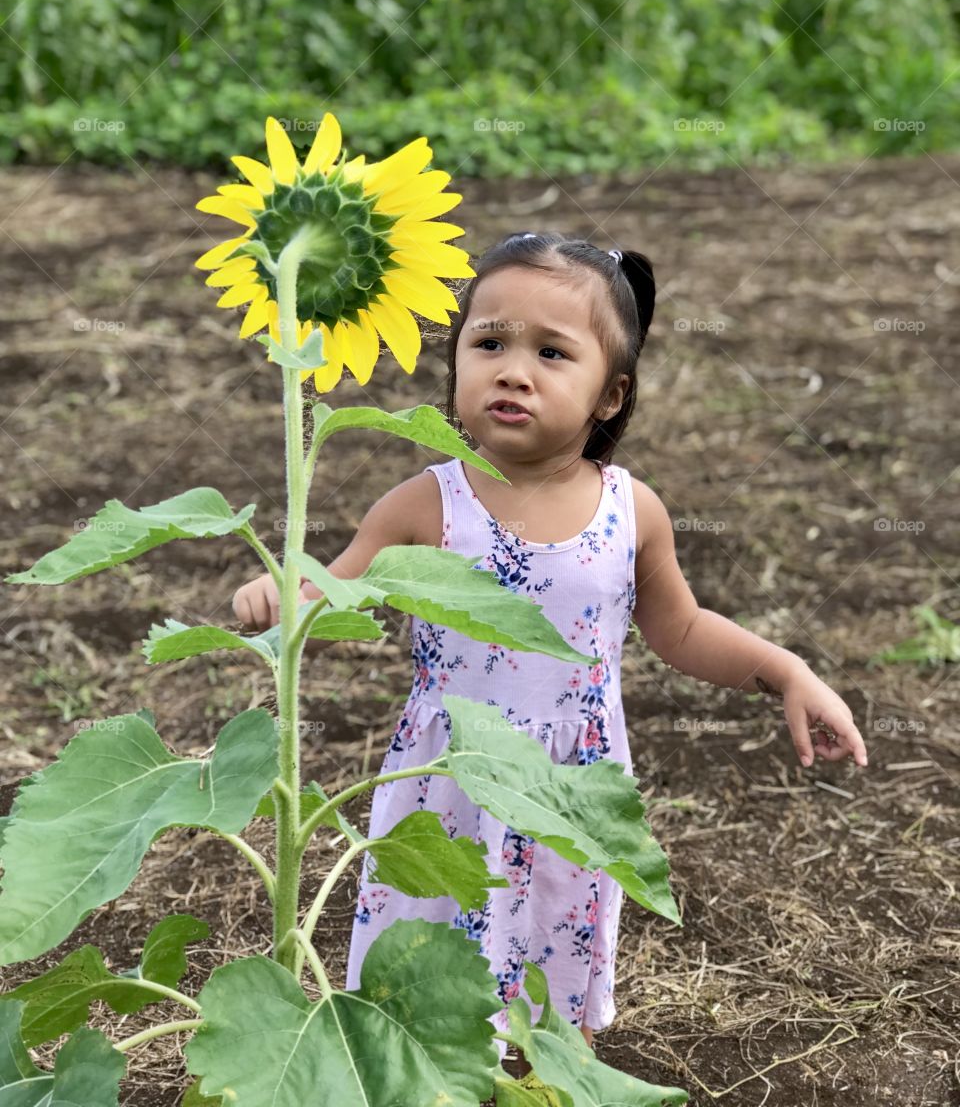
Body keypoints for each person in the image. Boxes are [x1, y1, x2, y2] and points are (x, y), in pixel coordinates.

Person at [232, 230, 868, 1072]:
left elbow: (680, 630)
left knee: (557, 978)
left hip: (570, 789)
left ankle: (556, 1076)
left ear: (611, 395)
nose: (514, 371)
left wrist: (786, 672)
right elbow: (332, 588)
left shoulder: (630, 512)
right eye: (489, 343)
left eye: (552, 353)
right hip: (448, 788)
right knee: (418, 983)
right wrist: (282, 593)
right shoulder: (425, 504)